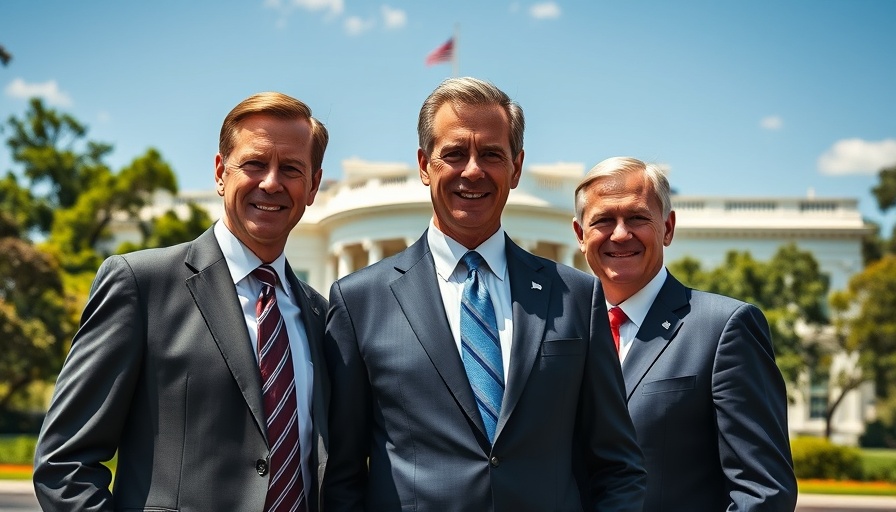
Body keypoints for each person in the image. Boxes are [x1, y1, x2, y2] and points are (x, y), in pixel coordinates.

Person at [323, 77, 646, 512]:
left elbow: (617, 466)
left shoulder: (576, 295)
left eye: (491, 154)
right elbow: (342, 476)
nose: (472, 170)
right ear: (424, 165)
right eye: (454, 154)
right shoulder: (360, 301)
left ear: (515, 167)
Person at [33, 92, 331, 511]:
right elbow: (63, 463)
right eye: (254, 163)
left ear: (313, 185)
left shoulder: (322, 317)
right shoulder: (141, 285)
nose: (271, 182)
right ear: (220, 172)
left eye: (292, 169)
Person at [572, 156, 798, 511]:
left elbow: (764, 491)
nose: (619, 233)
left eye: (637, 217)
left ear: (667, 227)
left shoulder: (725, 328)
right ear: (580, 236)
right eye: (603, 220)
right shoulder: (560, 331)